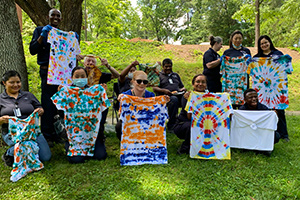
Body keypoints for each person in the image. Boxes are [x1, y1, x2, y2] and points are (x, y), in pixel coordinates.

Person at [29, 9, 81, 144]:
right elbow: (33, 50)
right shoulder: (41, 30)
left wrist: (74, 40)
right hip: (48, 73)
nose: (56, 17)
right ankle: (47, 134)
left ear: (61, 19)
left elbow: (74, 54)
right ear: (48, 17)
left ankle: (60, 132)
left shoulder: (66, 36)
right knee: (48, 102)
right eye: (53, 15)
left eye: (58, 16)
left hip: (63, 74)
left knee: (62, 103)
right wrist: (42, 35)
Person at [55, 66, 108, 163]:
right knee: (76, 160)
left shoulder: (94, 92)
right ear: (72, 78)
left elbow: (103, 111)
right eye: (77, 76)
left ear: (87, 77)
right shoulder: (67, 93)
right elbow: (62, 114)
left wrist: (103, 95)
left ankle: (97, 144)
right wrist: (61, 95)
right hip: (75, 136)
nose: (80, 79)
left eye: (82, 76)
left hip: (92, 134)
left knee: (100, 156)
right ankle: (69, 145)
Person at [0, 70, 51, 167]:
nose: (16, 85)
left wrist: (40, 111)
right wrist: (2, 120)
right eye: (12, 82)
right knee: (25, 144)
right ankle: (9, 153)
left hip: (32, 130)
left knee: (45, 157)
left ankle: (22, 150)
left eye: (18, 82)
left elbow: (39, 107)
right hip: (11, 133)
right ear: (4, 83)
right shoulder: (1, 99)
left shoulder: (28, 95)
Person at [253, 35, 289, 142]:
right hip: (262, 89)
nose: (264, 45)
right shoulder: (257, 58)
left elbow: (286, 69)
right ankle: (265, 132)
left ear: (270, 42)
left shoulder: (279, 55)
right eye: (261, 44)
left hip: (277, 87)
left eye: (266, 42)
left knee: (279, 110)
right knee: (264, 110)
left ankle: (283, 134)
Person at [82, 55, 120, 141]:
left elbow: (117, 75)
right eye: (88, 61)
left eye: (93, 61)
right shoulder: (80, 74)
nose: (90, 63)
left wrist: (107, 66)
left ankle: (99, 135)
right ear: (84, 63)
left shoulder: (100, 74)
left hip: (97, 104)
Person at [115, 71, 155, 140]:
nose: (142, 84)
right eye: (139, 81)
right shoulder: (125, 96)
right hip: (130, 121)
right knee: (119, 125)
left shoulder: (151, 95)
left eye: (145, 82)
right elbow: (120, 114)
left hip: (146, 120)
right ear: (133, 81)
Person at [239, 88, 281, 155]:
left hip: (261, 132)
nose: (254, 99)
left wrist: (274, 116)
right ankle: (248, 147)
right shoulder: (241, 110)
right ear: (245, 100)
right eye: (250, 97)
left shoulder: (263, 108)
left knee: (276, 136)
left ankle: (265, 147)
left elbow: (271, 123)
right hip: (248, 133)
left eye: (255, 96)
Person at [174, 74, 207, 154]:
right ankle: (185, 148)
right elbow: (190, 117)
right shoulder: (187, 97)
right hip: (184, 124)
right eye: (197, 82)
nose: (200, 84)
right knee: (192, 125)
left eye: (203, 82)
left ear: (206, 85)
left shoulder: (210, 98)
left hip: (202, 123)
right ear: (193, 84)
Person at [153, 58, 186, 131]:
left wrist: (183, 89)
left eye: (170, 66)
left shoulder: (175, 75)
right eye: (166, 66)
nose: (168, 68)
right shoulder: (159, 76)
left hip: (178, 94)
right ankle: (171, 124)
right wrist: (164, 90)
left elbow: (181, 86)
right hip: (165, 96)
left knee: (186, 97)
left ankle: (182, 120)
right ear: (163, 67)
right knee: (173, 100)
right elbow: (154, 88)